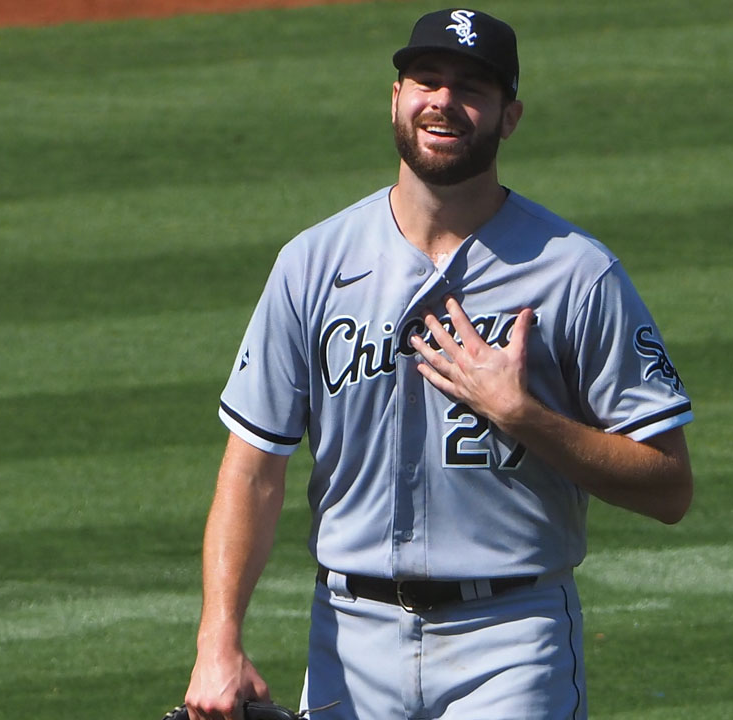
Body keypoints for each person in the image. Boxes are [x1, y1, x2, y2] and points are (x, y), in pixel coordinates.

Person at [184, 8, 693, 720]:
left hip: (511, 640)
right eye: (427, 79)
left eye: (472, 87)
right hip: (348, 638)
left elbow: (669, 487)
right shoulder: (312, 265)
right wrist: (218, 641)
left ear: (509, 117)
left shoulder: (576, 274)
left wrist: (525, 416)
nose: (444, 101)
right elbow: (253, 467)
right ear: (395, 96)